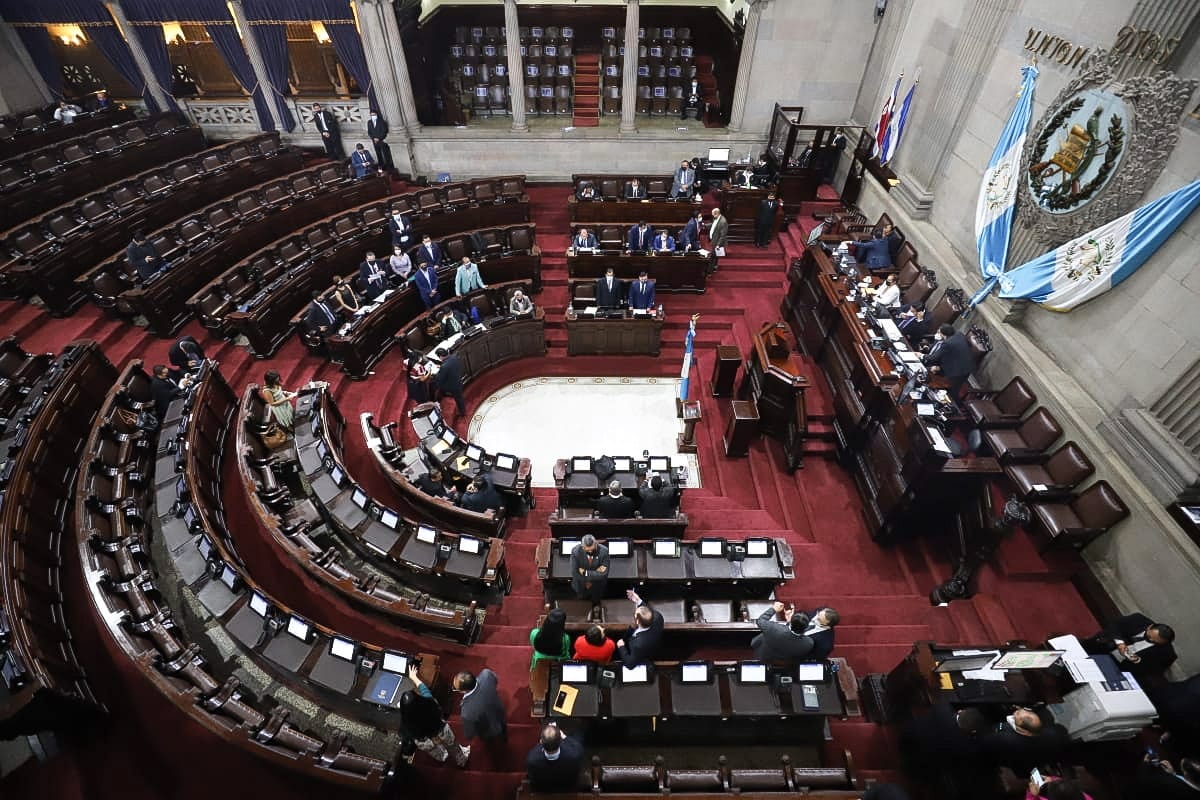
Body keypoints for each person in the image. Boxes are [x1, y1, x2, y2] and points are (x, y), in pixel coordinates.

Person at [399, 665, 470, 767]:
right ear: (419, 700)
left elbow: (405, 735)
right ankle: (461, 760)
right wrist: (414, 677)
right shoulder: (429, 703)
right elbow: (425, 690)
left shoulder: (405, 722)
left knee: (434, 751)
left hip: (423, 741)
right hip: (441, 731)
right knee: (453, 746)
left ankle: (442, 757)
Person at [1081, 613, 1177, 681]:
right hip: (1103, 647)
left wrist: (1138, 661)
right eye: (1149, 637)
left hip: (1119, 668)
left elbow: (1152, 671)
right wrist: (1120, 643)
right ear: (1149, 627)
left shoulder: (1167, 654)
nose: (1150, 640)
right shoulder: (1138, 619)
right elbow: (1113, 624)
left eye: (1155, 641)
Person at [976, 707, 1067, 773]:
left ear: (1024, 730)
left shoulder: (1004, 738)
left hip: (1011, 766)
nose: (1014, 713)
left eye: (1016, 716)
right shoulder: (1054, 733)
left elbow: (984, 742)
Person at [526, 722, 584, 792]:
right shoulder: (574, 756)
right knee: (578, 733)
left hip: (543, 792)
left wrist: (548, 736)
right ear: (561, 741)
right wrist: (564, 736)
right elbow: (578, 747)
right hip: (567, 790)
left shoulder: (532, 759)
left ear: (541, 741)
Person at [453, 669, 507, 742]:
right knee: (503, 730)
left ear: (463, 691)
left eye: (455, 689)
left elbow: (469, 734)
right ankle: (505, 738)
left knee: (489, 741)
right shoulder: (486, 674)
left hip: (488, 730)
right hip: (499, 713)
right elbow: (495, 680)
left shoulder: (466, 712)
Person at [750, 601, 814, 663]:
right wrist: (789, 622)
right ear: (806, 627)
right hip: (787, 664)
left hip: (764, 659)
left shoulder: (774, 629)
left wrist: (774, 609)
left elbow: (760, 621)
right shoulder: (809, 643)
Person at [615, 589, 663, 668]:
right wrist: (638, 601)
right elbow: (648, 612)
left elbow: (630, 664)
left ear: (637, 621)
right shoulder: (658, 617)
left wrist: (621, 647)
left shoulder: (638, 645)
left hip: (644, 655)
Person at [922, 324, 974, 398]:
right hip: (966, 366)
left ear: (944, 334)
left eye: (939, 333)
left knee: (952, 392)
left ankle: (955, 406)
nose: (938, 334)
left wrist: (921, 355)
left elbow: (934, 358)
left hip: (957, 371)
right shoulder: (959, 334)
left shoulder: (948, 343)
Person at [1129, 754, 1200, 799]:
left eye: (1182, 768)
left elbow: (1143, 781)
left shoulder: (1171, 784)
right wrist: (1174, 774)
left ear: (1187, 774)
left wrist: (1145, 763)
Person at [570, 534, 609, 601]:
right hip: (580, 586)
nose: (590, 552)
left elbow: (603, 574)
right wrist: (595, 573)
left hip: (598, 587)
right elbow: (575, 573)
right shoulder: (576, 551)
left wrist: (585, 572)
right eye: (587, 551)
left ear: (596, 544)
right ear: (582, 547)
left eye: (592, 549)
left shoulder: (604, 551)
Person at [434, 348, 466, 416]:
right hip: (458, 379)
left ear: (440, 356)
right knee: (459, 397)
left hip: (453, 386)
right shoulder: (454, 357)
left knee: (437, 385)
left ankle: (462, 413)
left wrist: (436, 374)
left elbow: (440, 378)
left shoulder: (444, 367)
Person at [707, 207, 728, 274]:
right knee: (714, 257)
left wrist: (718, 245)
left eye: (713, 214)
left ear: (717, 214)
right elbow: (713, 226)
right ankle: (713, 268)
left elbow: (723, 235)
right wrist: (705, 225)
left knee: (712, 257)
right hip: (713, 241)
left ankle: (709, 271)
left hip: (717, 243)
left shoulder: (723, 222)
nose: (712, 216)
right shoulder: (716, 218)